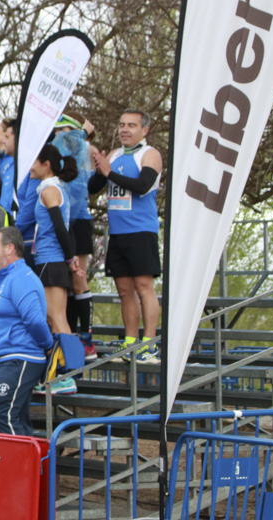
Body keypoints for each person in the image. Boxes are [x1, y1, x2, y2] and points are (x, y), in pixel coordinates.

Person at [89, 109, 163, 364]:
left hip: (141, 230)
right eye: (121, 124)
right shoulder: (115, 155)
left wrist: (110, 173)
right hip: (118, 233)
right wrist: (96, 167)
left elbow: (142, 186)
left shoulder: (149, 154)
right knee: (123, 290)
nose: (124, 129)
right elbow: (93, 188)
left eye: (131, 125)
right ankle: (130, 343)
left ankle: (149, 344)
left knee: (144, 287)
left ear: (144, 130)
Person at [0, 228, 53, 436]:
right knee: (17, 418)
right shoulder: (5, 279)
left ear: (10, 248)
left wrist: (48, 346)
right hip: (8, 359)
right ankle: (33, 466)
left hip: (20, 357)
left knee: (3, 416)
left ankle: (20, 467)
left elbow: (35, 320)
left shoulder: (21, 278)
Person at [29, 145, 82, 397]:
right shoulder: (52, 188)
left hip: (51, 260)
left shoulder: (50, 190)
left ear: (46, 164)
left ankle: (67, 376)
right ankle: (60, 374)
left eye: (33, 162)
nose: (30, 167)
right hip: (50, 260)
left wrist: (70, 258)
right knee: (53, 318)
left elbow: (61, 229)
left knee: (57, 318)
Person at [52, 114, 97, 359]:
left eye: (65, 131)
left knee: (79, 280)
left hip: (78, 220)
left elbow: (82, 183)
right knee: (65, 285)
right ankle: (68, 338)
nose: (61, 137)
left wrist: (82, 133)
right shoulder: (60, 150)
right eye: (57, 132)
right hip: (61, 220)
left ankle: (87, 339)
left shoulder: (81, 146)